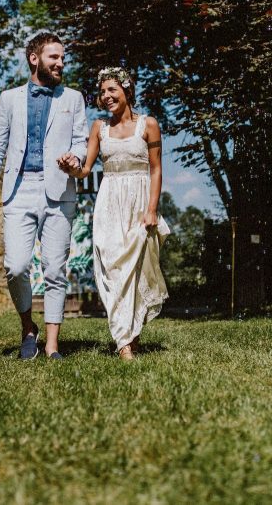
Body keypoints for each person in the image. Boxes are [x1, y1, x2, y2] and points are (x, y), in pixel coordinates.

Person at [0, 31, 88, 360]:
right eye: (54, 57)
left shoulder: (73, 98)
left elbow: (82, 141)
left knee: (55, 269)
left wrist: (75, 158)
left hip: (59, 190)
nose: (60, 62)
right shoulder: (9, 99)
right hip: (19, 189)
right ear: (34, 58)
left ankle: (52, 345)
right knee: (16, 265)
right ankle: (29, 327)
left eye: (62, 58)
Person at [61, 67, 169, 360]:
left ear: (127, 90)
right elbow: (84, 170)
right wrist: (71, 168)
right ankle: (124, 339)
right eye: (102, 91)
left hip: (139, 203)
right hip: (109, 203)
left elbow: (156, 169)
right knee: (111, 268)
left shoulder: (148, 125)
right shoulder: (99, 128)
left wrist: (151, 209)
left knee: (134, 271)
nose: (106, 96)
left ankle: (127, 339)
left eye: (112, 90)